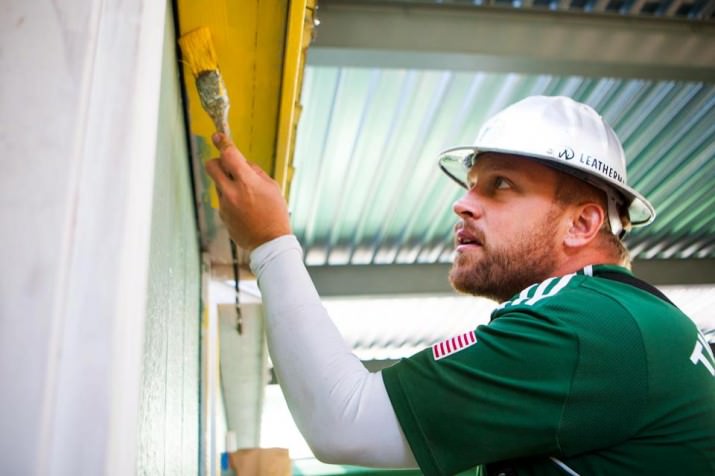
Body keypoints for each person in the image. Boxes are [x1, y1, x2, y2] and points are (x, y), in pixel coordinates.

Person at [205, 96, 715, 475]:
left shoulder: (588, 326)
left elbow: (344, 422)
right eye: (472, 184)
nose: (464, 204)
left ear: (582, 225)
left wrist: (269, 242)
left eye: (501, 185)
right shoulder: (634, 318)